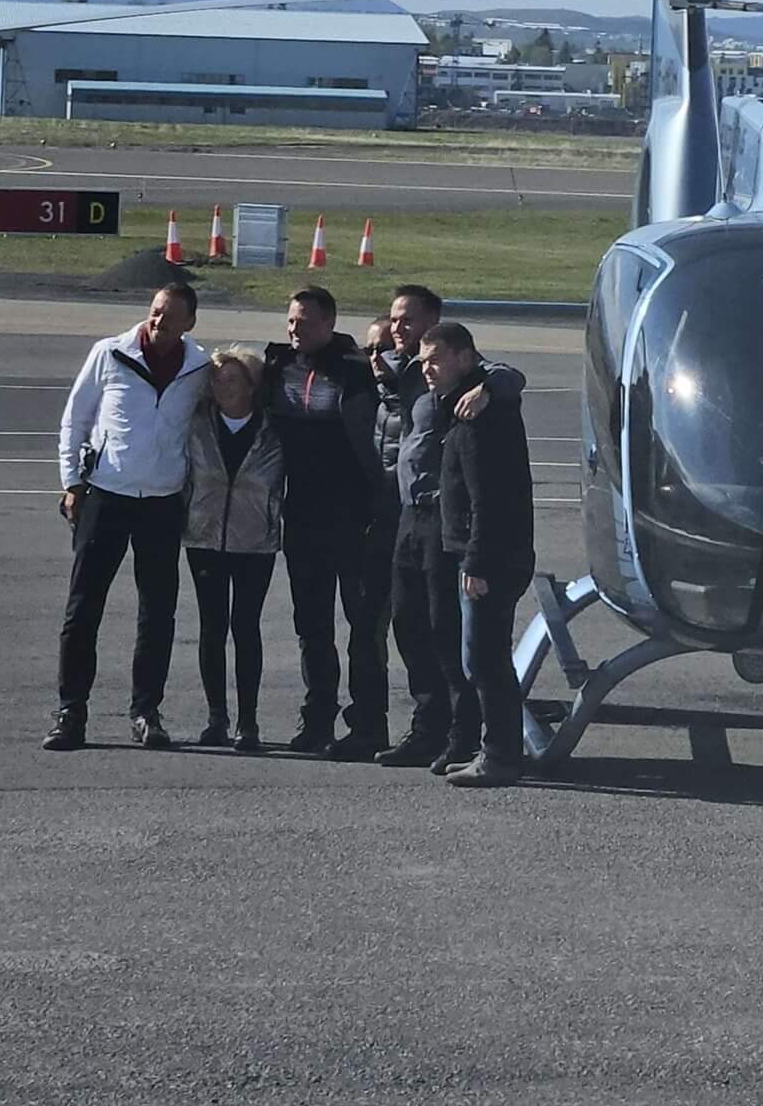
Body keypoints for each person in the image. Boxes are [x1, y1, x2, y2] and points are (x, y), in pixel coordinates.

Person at [48, 283, 211, 751]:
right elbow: (75, 419)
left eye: (171, 316)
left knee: (157, 614)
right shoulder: (109, 353)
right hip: (106, 497)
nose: (159, 322)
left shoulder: (199, 367)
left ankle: (146, 711)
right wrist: (73, 483)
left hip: (162, 502)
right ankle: (70, 712)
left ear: (190, 323)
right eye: (156, 312)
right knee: (83, 609)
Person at [371, 284, 527, 771]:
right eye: (395, 321)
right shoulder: (406, 373)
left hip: (447, 523)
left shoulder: (477, 393)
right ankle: (429, 729)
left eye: (409, 321)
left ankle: (468, 739)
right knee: (409, 626)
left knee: (453, 637)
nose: (399, 329)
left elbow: (508, 375)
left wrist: (491, 386)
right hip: (408, 518)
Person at [261, 285, 392, 760]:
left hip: (355, 519)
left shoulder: (360, 370)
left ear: (330, 324)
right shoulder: (276, 368)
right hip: (302, 518)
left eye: (307, 323)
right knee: (311, 626)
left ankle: (368, 723)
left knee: (364, 625)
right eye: (292, 321)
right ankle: (317, 718)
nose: (296, 330)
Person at [426, 322, 536, 786]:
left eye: (436, 358)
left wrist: (476, 562)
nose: (427, 368)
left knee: (485, 660)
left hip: (491, 558)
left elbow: (487, 497)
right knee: (482, 658)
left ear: (465, 357)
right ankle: (497, 749)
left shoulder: (479, 415)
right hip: (483, 553)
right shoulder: (464, 404)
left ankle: (500, 756)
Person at [183, 347, 285, 751]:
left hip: (254, 541)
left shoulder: (273, 430)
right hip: (205, 538)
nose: (223, 387)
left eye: (233, 380)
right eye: (217, 380)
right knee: (212, 627)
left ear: (252, 386)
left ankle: (249, 721)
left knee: (246, 627)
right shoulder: (197, 425)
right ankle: (216, 719)